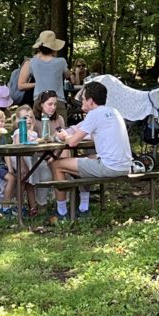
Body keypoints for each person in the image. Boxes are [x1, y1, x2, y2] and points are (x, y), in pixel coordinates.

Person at [49, 81, 133, 220]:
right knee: (88, 159)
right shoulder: (114, 111)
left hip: (110, 167)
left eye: (83, 99)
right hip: (125, 165)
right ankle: (83, 207)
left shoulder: (94, 114)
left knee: (57, 165)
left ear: (90, 101)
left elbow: (73, 142)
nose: (82, 101)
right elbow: (97, 136)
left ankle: (62, 212)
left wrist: (65, 136)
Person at [29, 90, 68, 207]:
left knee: (67, 170)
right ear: (41, 104)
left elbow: (64, 139)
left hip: (56, 154)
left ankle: (65, 202)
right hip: (40, 156)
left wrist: (62, 136)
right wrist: (52, 138)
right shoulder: (34, 121)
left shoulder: (59, 119)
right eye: (50, 104)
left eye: (55, 104)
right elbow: (33, 143)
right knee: (45, 173)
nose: (53, 107)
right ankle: (42, 204)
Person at [19, 30, 70, 101]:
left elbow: (20, 85)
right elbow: (68, 75)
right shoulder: (61, 61)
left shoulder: (32, 62)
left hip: (39, 100)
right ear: (54, 48)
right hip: (57, 100)